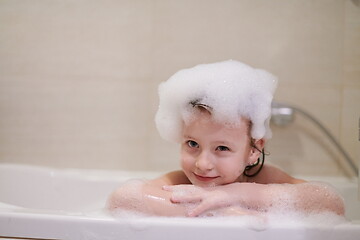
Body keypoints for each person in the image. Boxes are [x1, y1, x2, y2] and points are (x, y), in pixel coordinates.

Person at [107, 60, 345, 217]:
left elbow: (331, 203)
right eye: (192, 144)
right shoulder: (181, 182)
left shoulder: (265, 180)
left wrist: (235, 195)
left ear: (254, 150)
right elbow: (124, 199)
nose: (202, 163)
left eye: (221, 148)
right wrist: (219, 210)